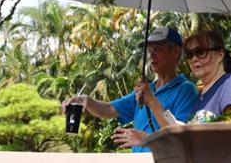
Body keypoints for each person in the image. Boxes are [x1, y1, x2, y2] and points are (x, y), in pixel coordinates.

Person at [61, 26, 197, 153]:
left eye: (157, 49)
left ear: (175, 52)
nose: (151, 55)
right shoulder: (145, 91)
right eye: (149, 51)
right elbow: (108, 109)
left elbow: (181, 139)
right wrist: (87, 102)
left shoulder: (185, 90)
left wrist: (151, 101)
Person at [136, 29, 231, 126]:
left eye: (200, 52)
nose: (194, 59)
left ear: (220, 55)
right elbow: (181, 132)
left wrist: (152, 101)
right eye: (189, 55)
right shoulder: (201, 96)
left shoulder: (229, 83)